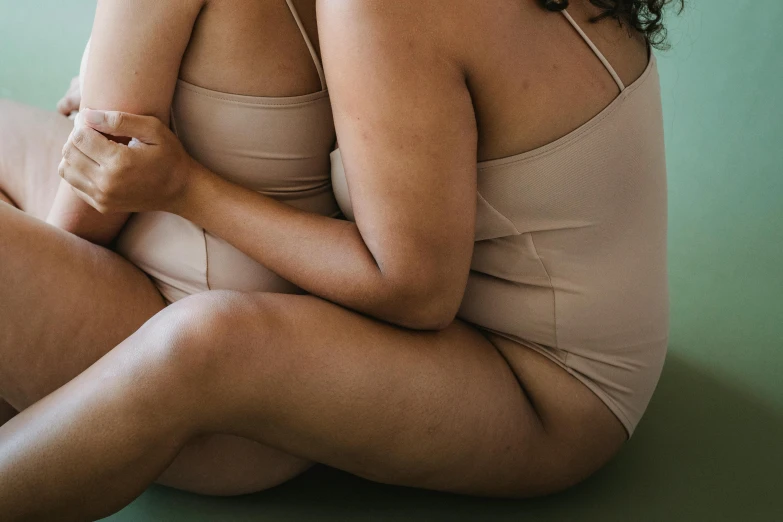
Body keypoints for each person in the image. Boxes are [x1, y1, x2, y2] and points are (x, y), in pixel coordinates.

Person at [0, 0, 680, 520]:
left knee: (209, 338)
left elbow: (411, 290)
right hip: (474, 314)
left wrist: (182, 187)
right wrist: (115, 63)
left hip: (546, 394)